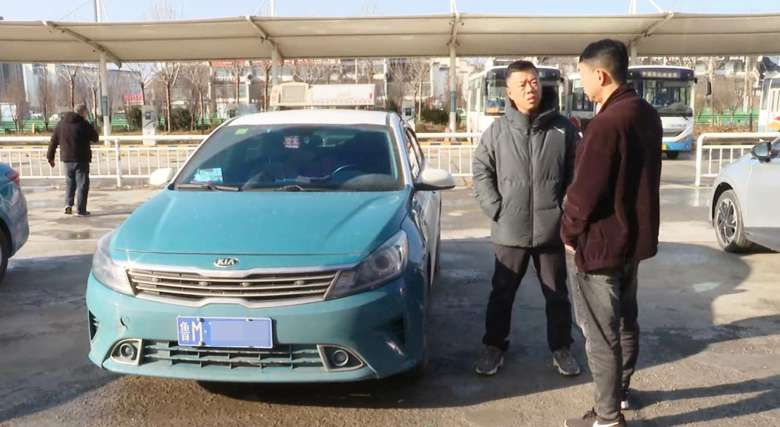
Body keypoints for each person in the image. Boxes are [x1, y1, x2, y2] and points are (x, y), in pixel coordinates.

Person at [561, 39, 662, 427]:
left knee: (601, 335)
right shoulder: (646, 113)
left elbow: (584, 194)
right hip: (632, 243)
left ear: (601, 75)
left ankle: (607, 417)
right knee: (625, 321)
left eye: (583, 74)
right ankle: (619, 394)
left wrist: (568, 232)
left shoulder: (605, 124)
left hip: (601, 247)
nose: (582, 82)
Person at [472, 60, 581, 377]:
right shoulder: (497, 131)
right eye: (522, 84)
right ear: (509, 92)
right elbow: (481, 170)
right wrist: (496, 208)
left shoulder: (563, 129)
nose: (530, 89)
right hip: (509, 230)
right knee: (501, 294)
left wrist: (564, 210)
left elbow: (577, 172)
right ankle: (494, 347)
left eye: (533, 82)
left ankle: (561, 349)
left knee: (557, 294)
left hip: (551, 230)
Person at [47, 104, 99, 216]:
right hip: (81, 159)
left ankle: (68, 205)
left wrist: (50, 157)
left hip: (66, 159)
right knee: (82, 184)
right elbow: (95, 137)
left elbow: (53, 141)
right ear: (83, 113)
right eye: (86, 113)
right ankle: (80, 210)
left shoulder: (61, 124)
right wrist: (93, 126)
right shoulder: (83, 124)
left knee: (70, 183)